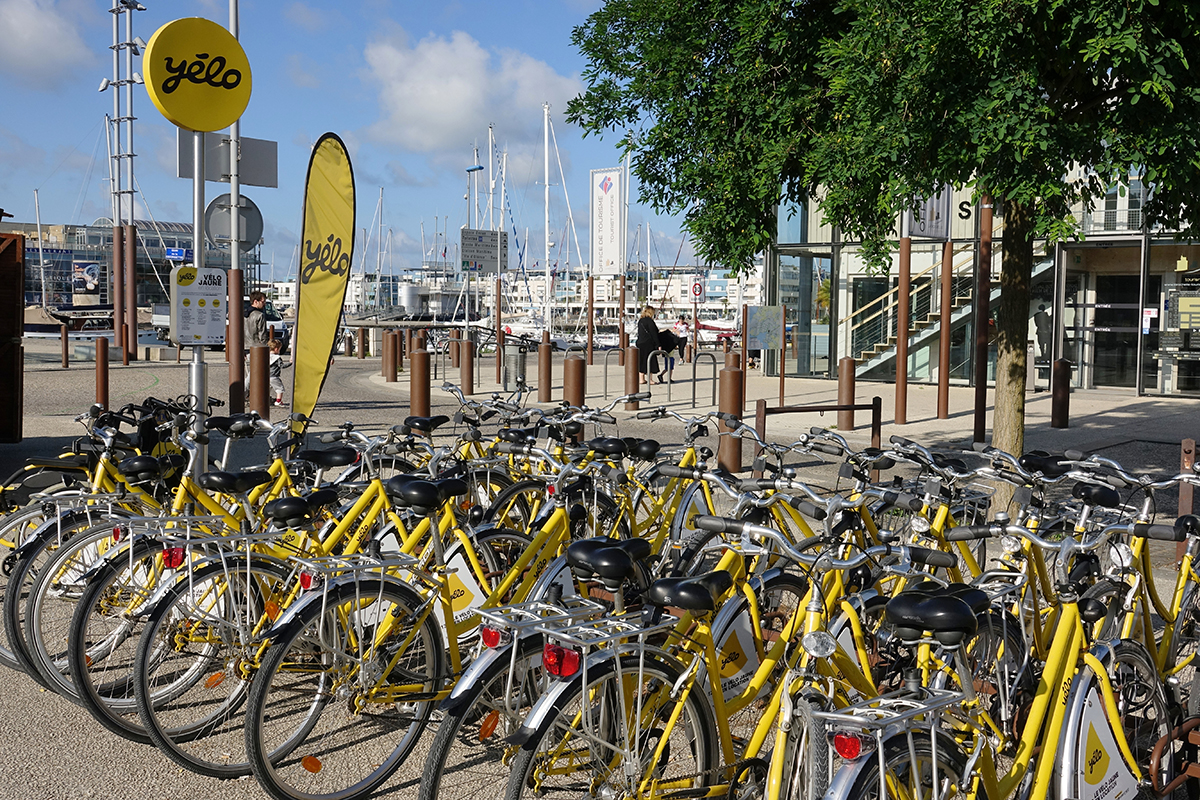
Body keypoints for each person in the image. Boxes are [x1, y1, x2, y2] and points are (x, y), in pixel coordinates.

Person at [636, 305, 661, 385]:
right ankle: (650, 379)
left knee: (641, 361)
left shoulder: (640, 321)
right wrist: (658, 344)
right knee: (650, 361)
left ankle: (641, 379)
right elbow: (654, 334)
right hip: (648, 344)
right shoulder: (650, 321)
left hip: (640, 343)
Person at [268, 339, 287, 406]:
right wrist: (290, 363)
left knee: (267, 389)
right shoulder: (277, 358)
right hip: (274, 376)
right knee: (279, 388)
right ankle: (278, 401)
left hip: (266, 376)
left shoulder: (266, 356)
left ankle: (264, 400)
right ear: (276, 349)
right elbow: (282, 366)